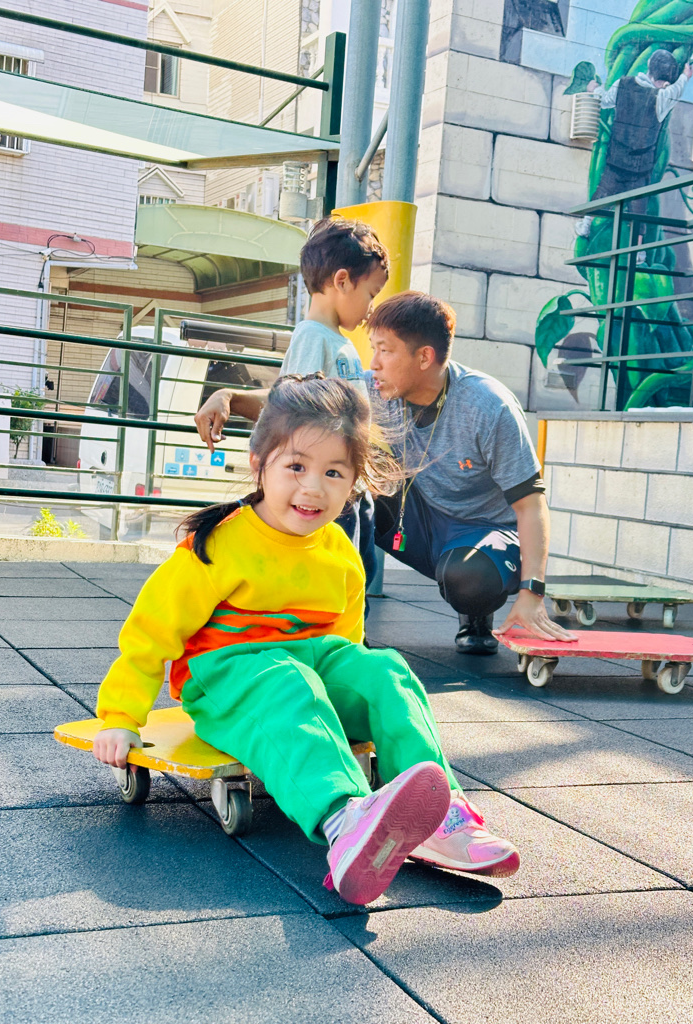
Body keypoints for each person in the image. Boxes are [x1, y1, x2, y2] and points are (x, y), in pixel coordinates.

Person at [93, 375, 521, 905]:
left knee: (384, 670)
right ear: (258, 462)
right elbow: (151, 632)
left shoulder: (338, 550)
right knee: (290, 682)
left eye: (333, 472)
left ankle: (439, 816)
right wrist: (120, 718)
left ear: (354, 483)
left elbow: (345, 645)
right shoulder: (217, 546)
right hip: (228, 678)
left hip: (305, 670)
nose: (313, 488)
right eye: (296, 466)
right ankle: (345, 819)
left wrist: (351, 698)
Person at [366, 291, 575, 654]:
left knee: (468, 578)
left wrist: (532, 593)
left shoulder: (488, 406)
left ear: (424, 357)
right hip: (420, 519)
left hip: (484, 531)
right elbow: (308, 401)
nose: (374, 363)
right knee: (345, 478)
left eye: (384, 351)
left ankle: (476, 613)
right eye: (374, 349)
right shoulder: (377, 389)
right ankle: (346, 617)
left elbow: (531, 505)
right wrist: (247, 398)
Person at [194, 216, 388, 585]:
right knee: (335, 577)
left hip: (346, 485)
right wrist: (229, 395)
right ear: (342, 281)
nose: (371, 308)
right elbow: (291, 404)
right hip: (326, 486)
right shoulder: (314, 337)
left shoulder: (336, 340)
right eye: (371, 294)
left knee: (354, 573)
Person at [576, 50, 693, 258]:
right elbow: (677, 90)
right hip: (641, 166)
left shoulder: (623, 84)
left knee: (602, 193)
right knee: (639, 209)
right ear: (666, 80)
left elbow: (605, 100)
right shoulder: (662, 97)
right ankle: (638, 253)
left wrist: (594, 89)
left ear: (648, 66)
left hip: (617, 159)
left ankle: (585, 224)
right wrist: (685, 76)